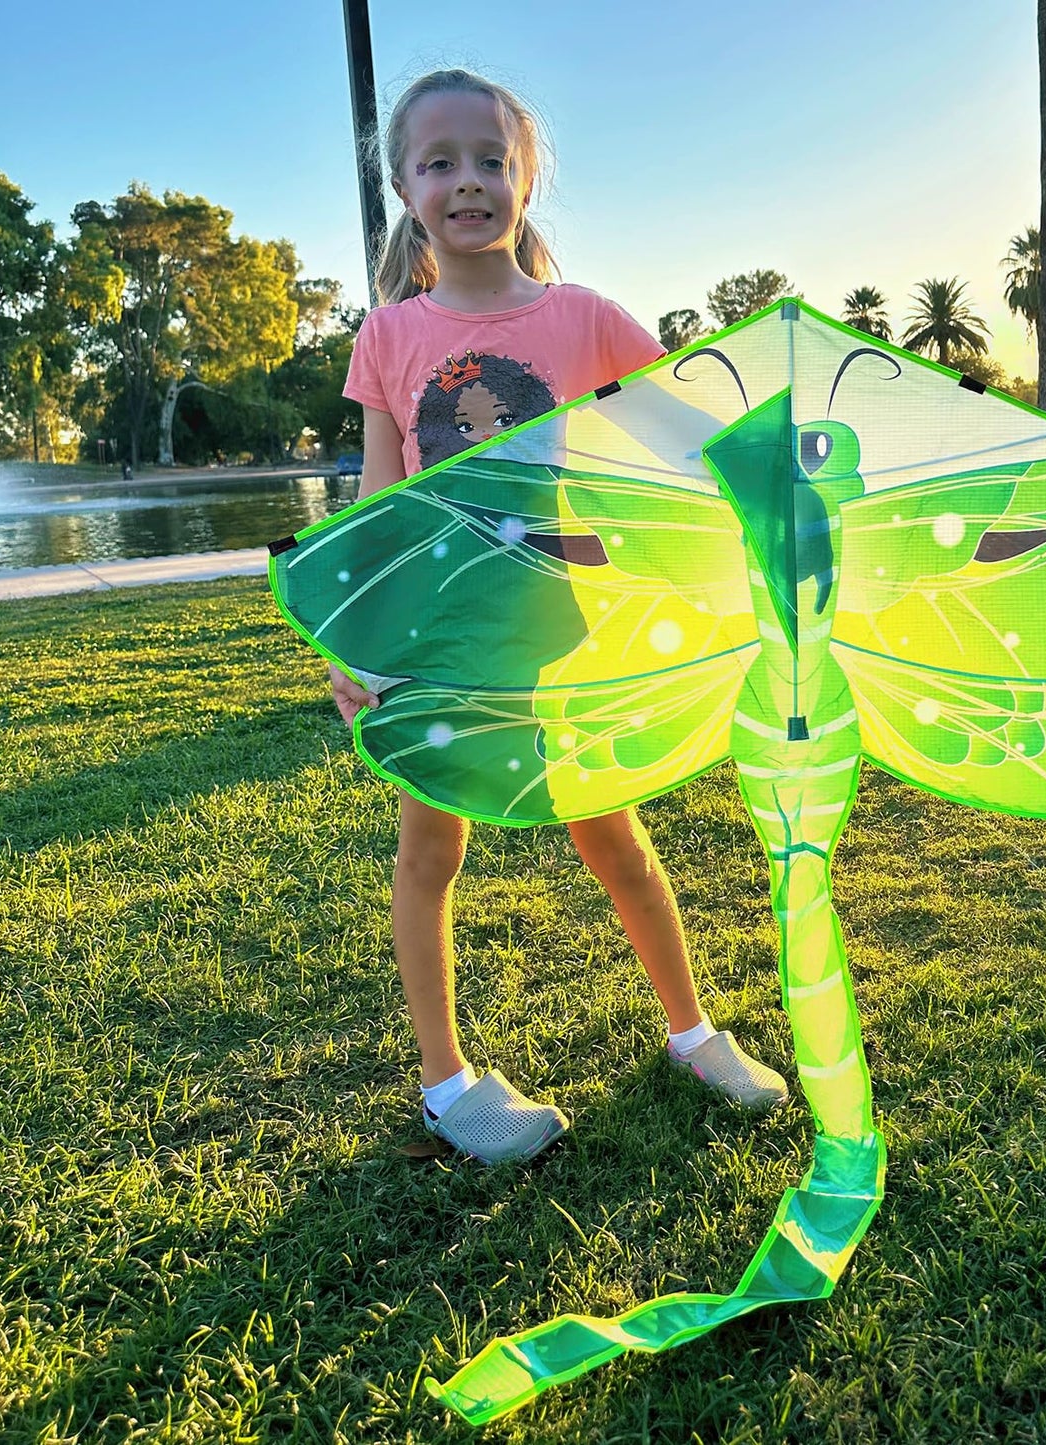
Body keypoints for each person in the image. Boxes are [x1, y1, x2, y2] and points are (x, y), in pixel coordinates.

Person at [334, 69, 787, 1164]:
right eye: (439, 162)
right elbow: (377, 505)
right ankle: (447, 1084)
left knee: (615, 836)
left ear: (525, 178)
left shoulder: (583, 319)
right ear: (405, 186)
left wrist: (779, 489)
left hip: (569, 635)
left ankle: (691, 1031)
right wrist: (353, 642)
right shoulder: (387, 337)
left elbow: (693, 429)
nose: (468, 180)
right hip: (439, 648)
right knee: (428, 848)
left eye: (491, 159)